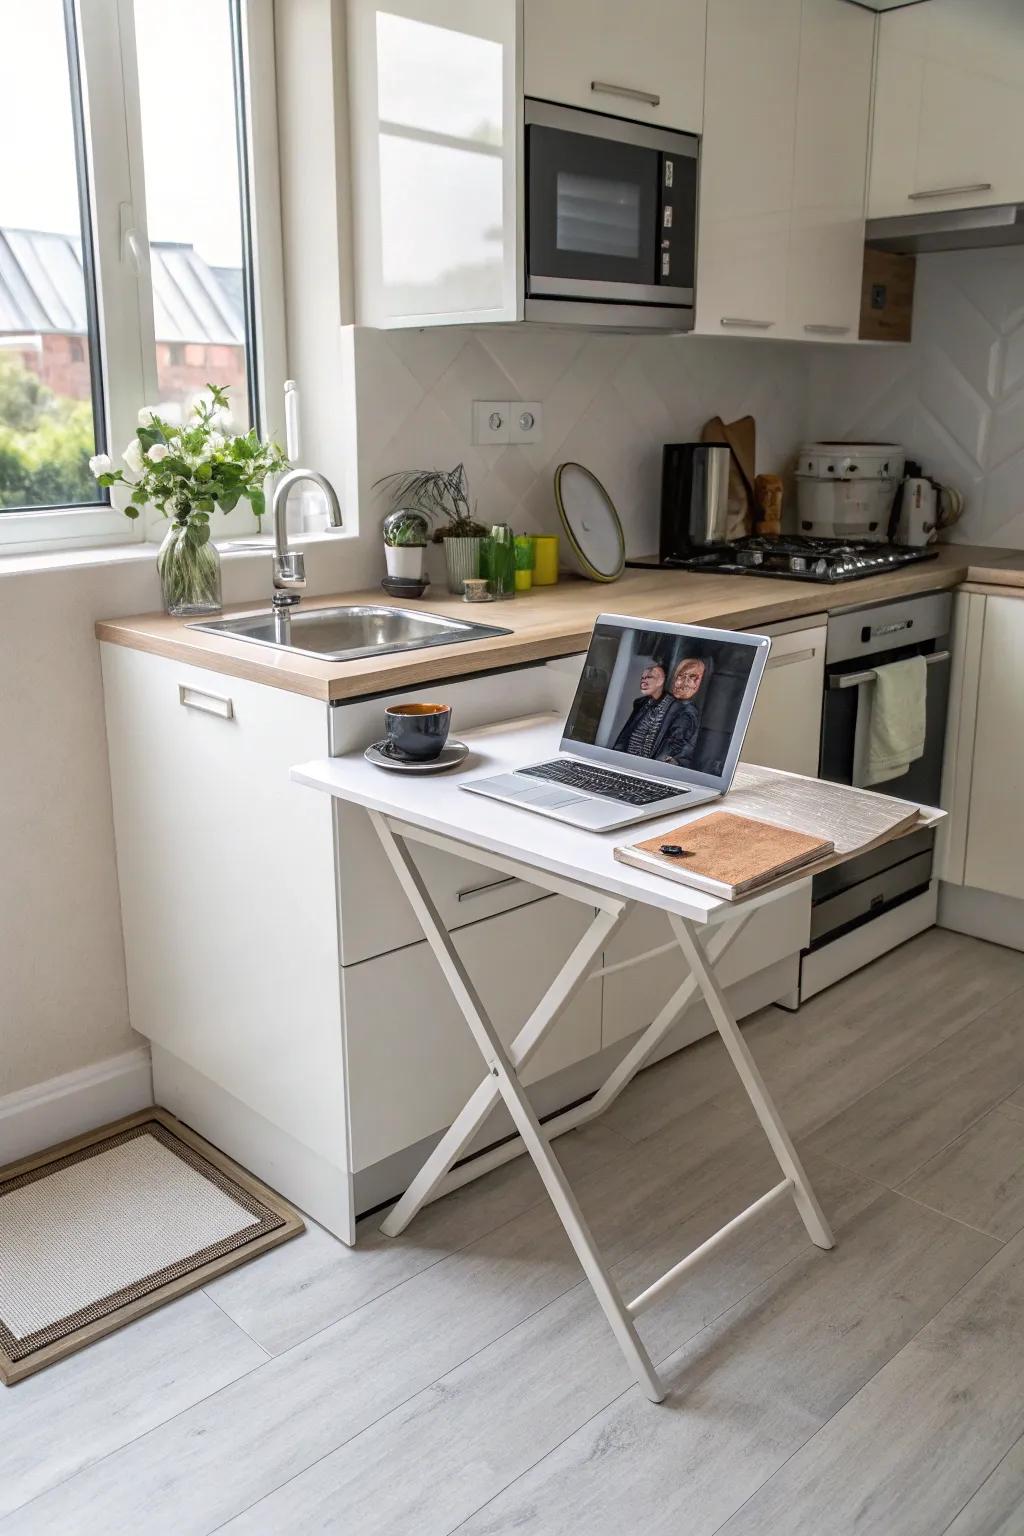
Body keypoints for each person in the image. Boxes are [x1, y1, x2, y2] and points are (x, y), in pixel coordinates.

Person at [612, 661, 672, 756]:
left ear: (661, 681)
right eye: (643, 678)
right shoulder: (641, 703)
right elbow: (625, 736)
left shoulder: (672, 707)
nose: (643, 681)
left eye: (649, 677)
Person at [657, 656, 706, 765]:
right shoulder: (670, 706)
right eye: (681, 676)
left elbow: (672, 748)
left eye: (693, 677)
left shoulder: (687, 713)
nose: (685, 682)